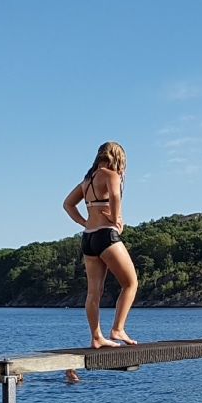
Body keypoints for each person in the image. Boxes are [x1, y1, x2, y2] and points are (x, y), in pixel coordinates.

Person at [63, 142, 138, 348]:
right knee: (130, 283)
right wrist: (116, 219)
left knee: (93, 291)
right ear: (117, 157)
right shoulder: (111, 176)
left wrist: (84, 222)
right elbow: (114, 196)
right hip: (106, 235)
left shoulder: (86, 182)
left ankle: (96, 337)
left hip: (88, 238)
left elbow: (67, 204)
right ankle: (117, 329)